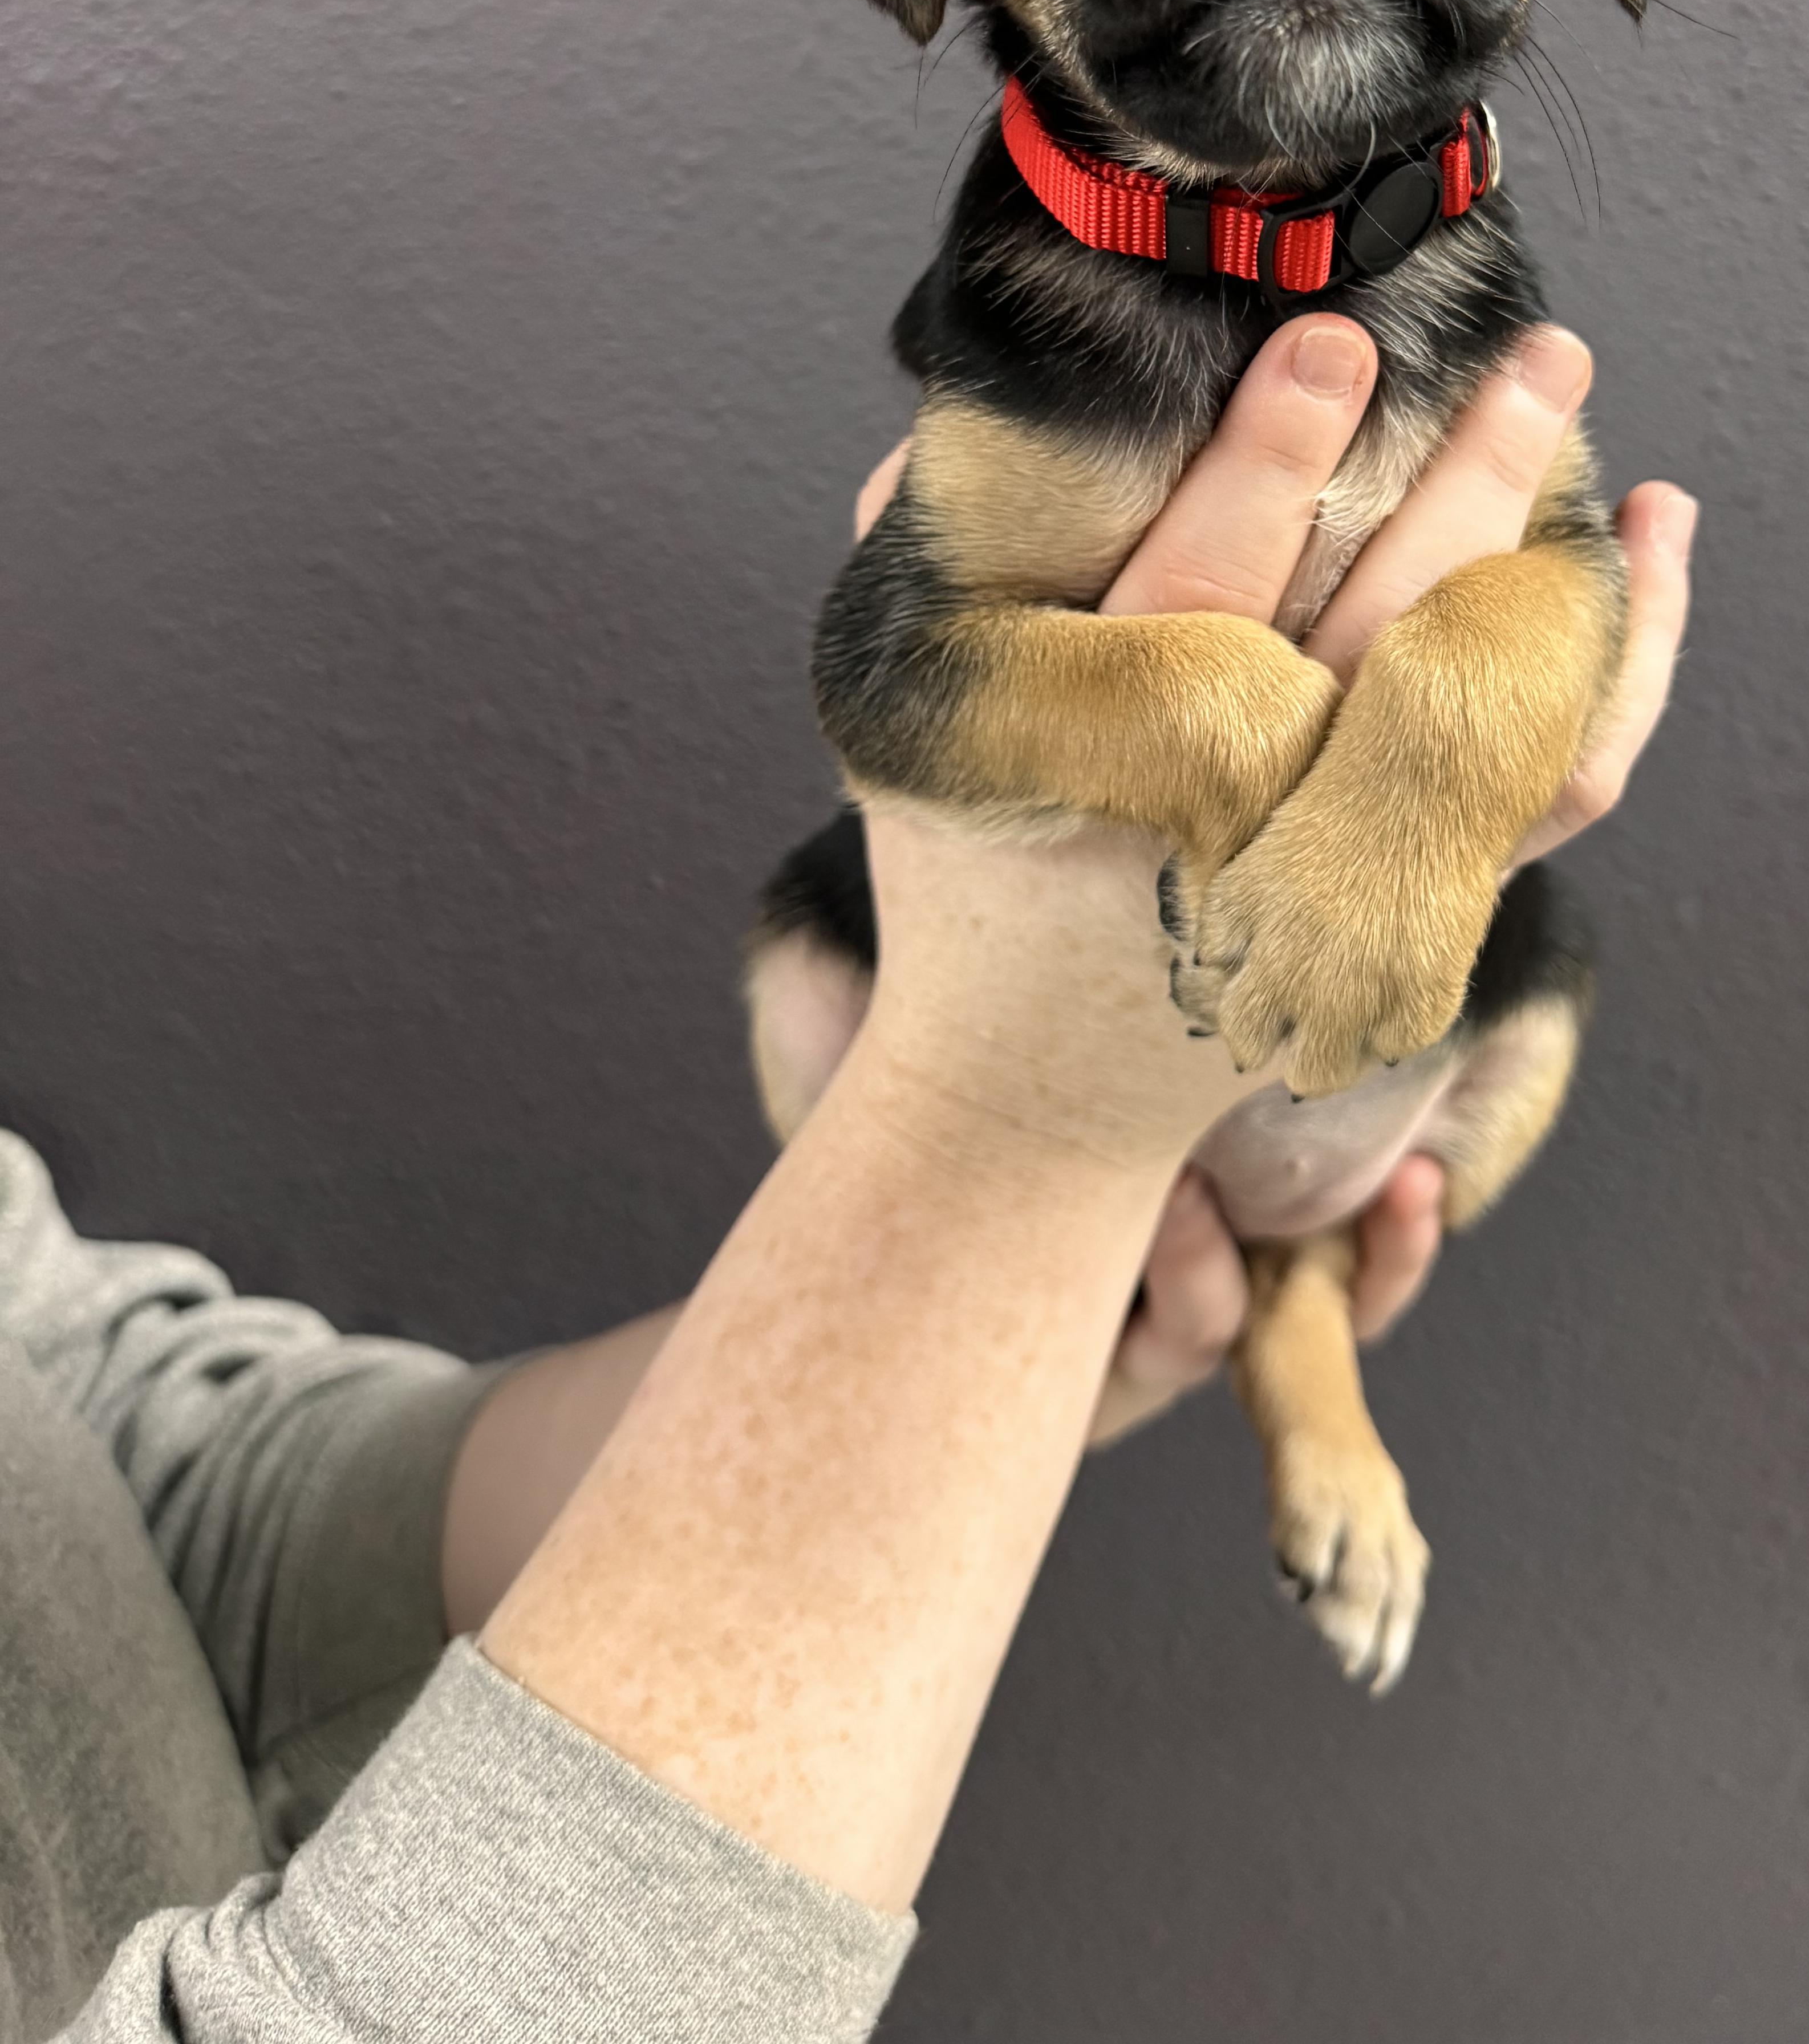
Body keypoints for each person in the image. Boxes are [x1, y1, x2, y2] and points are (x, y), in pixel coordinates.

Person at [2, 315, 1696, 2043]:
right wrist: (1008, 1141)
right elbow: (897, 679)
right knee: (803, 952)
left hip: (1259, 1118)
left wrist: (961, 1349)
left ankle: (1297, 1330)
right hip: (1034, 1029)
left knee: (1533, 989)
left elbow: (161, 1496)